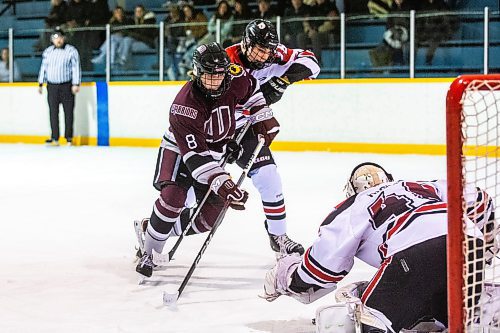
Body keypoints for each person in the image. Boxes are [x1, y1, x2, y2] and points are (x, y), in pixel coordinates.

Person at [262, 162, 498, 332]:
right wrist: (487, 235)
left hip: (414, 256)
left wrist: (287, 277)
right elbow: (479, 200)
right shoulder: (420, 186)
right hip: (468, 245)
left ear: (351, 191)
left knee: (370, 320)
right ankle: (458, 312)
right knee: (444, 310)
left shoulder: (354, 205)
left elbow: (321, 270)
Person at [136, 42, 280, 278]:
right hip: (180, 152)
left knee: (210, 216)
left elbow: (253, 91)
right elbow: (195, 158)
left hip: (214, 150)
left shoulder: (236, 77)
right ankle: (149, 252)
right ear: (196, 72)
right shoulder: (184, 105)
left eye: (219, 74)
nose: (215, 81)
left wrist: (263, 117)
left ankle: (152, 228)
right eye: (208, 76)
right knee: (175, 197)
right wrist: (223, 182)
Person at [224, 19, 320, 255]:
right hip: (217, 129)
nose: (264, 54)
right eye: (259, 48)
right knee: (200, 193)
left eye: (268, 49)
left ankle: (278, 236)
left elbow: (312, 63)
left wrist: (282, 80)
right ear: (246, 43)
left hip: (247, 127)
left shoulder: (274, 54)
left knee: (269, 176)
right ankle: (156, 230)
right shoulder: (228, 61)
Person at [37, 28, 81, 146]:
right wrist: (40, 83)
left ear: (64, 38)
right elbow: (44, 68)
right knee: (53, 112)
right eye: (56, 38)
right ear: (52, 40)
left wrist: (76, 83)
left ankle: (68, 137)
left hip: (66, 85)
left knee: (68, 112)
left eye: (60, 37)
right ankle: (54, 137)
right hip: (52, 86)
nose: (58, 40)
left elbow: (76, 68)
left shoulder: (71, 51)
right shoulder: (48, 52)